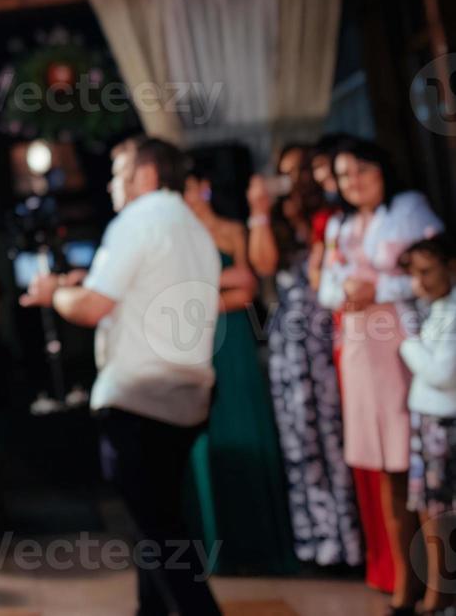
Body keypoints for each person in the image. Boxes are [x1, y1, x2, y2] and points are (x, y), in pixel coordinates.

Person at [21, 135, 222, 616]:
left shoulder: (137, 219)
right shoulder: (193, 228)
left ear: (146, 176)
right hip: (188, 395)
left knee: (161, 531)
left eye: (118, 173)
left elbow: (92, 307)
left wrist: (54, 294)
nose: (112, 185)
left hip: (139, 395)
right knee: (158, 523)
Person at [318, 138, 443, 616]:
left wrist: (380, 289)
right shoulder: (340, 224)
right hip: (358, 348)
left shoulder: (408, 209)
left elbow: (434, 270)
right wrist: (348, 291)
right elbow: (327, 285)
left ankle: (438, 583)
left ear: (381, 168)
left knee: (415, 466)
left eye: (360, 171)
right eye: (344, 176)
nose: (353, 183)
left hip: (402, 343)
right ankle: (403, 581)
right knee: (383, 469)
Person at [249, 148, 362, 569]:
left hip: (327, 335)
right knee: (300, 436)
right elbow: (263, 263)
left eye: (299, 172)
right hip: (289, 344)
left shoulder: (329, 219)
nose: (291, 181)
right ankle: (317, 539)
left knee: (335, 432)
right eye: (284, 173)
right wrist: (259, 211)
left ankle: (350, 539)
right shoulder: (275, 222)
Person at [183, 169, 299, 575]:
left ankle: (262, 542)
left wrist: (201, 291)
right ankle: (219, 544)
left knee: (244, 420)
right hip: (196, 341)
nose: (189, 196)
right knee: (207, 435)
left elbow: (247, 285)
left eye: (192, 187)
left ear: (205, 186)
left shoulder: (232, 230)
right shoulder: (179, 238)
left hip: (233, 338)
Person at [399, 236, 456, 615]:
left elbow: (442, 372)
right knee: (429, 510)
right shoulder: (434, 308)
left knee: (443, 512)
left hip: (445, 423)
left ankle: (442, 594)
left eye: (425, 271)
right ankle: (437, 592)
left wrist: (408, 345)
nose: (417, 282)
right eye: (412, 274)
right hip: (427, 421)